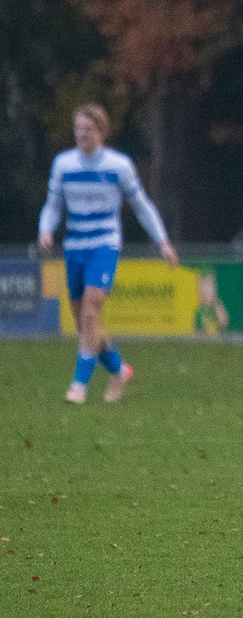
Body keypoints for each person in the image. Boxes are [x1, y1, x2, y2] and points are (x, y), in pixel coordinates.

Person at [38, 102, 179, 403]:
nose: (82, 135)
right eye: (78, 129)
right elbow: (53, 206)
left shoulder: (118, 166)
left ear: (102, 131)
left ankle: (79, 385)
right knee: (85, 325)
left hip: (105, 244)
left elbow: (142, 207)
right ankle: (118, 370)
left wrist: (163, 242)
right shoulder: (64, 165)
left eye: (88, 129)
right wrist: (46, 230)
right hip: (74, 246)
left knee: (91, 312)